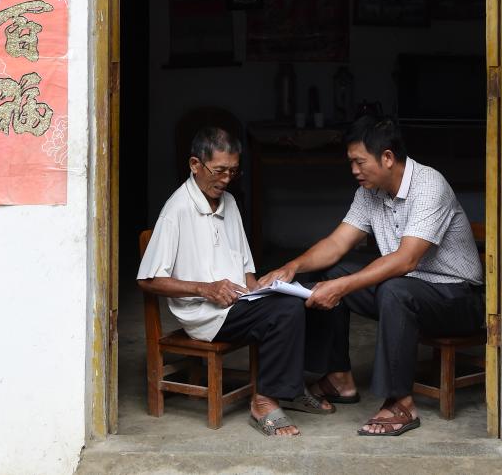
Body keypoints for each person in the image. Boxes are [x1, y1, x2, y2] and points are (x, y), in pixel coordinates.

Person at [258, 116, 484, 436]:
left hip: (457, 297)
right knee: (333, 273)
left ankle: (401, 402)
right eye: (351, 162)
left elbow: (406, 260)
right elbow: (337, 244)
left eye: (359, 162)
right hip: (409, 288)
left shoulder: (429, 185)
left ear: (387, 157)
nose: (354, 170)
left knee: (391, 289)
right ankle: (339, 377)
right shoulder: (370, 192)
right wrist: (292, 267)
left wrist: (342, 287)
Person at [137, 125, 335, 437]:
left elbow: (246, 272)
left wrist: (263, 288)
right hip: (206, 315)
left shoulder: (229, 202)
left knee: (317, 295)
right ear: (195, 164)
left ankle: (292, 386)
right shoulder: (177, 210)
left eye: (232, 171)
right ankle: (264, 401)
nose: (226, 179)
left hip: (239, 303)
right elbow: (149, 281)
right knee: (285, 311)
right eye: (219, 171)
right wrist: (205, 289)